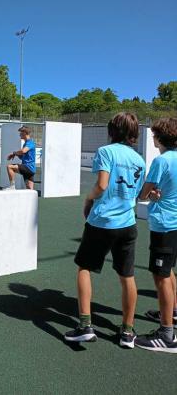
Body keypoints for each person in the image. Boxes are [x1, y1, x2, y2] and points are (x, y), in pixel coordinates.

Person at [64, 112, 145, 348]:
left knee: (84, 268)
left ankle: (85, 325)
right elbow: (138, 193)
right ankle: (128, 332)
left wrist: (88, 200)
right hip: (128, 224)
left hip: (102, 222)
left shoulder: (106, 152)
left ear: (112, 131)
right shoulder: (139, 159)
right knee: (127, 277)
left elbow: (102, 184)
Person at [134, 118, 177, 353]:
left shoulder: (161, 161)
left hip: (165, 224)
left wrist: (150, 194)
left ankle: (167, 334)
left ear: (160, 138)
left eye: (154, 135)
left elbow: (143, 193)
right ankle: (172, 312)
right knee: (168, 271)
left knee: (160, 276)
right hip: (175, 224)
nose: (152, 138)